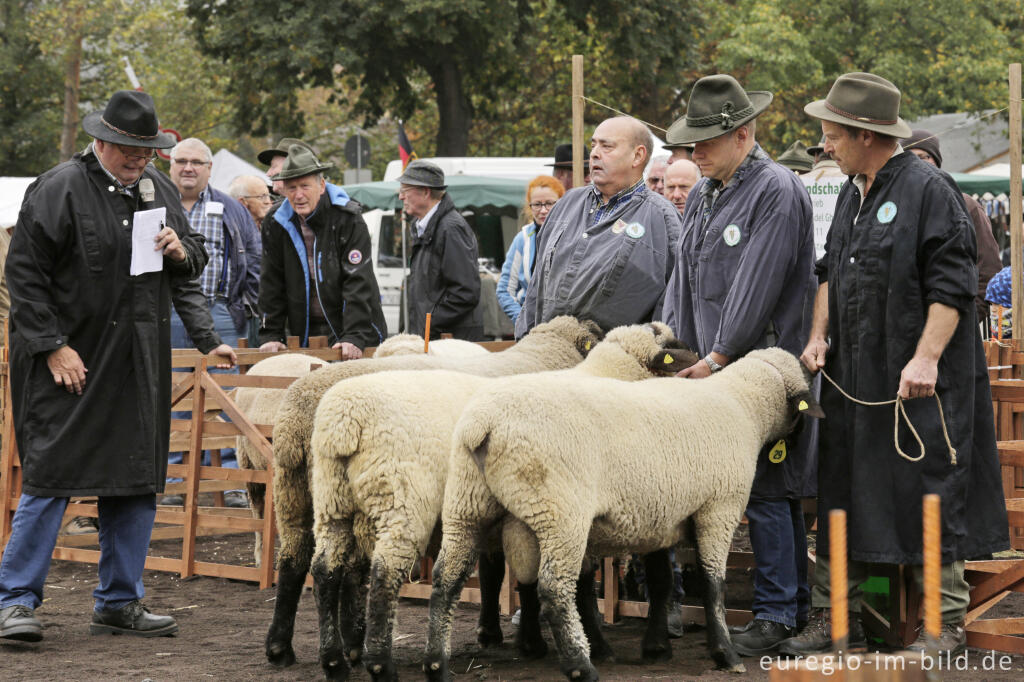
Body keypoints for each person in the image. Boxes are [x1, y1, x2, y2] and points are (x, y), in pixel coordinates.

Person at [0, 90, 235, 642]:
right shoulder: (57, 188)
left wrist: (203, 327)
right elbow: (25, 277)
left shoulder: (157, 190)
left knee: (134, 481)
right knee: (51, 477)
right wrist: (52, 345)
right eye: (130, 148)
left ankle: (119, 601)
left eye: (148, 149)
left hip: (137, 361)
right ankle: (13, 601)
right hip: (70, 362)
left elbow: (189, 268)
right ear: (102, 142)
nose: (140, 158)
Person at [788, 72, 1008, 657]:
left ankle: (942, 627)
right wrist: (818, 338)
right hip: (855, 381)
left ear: (866, 134)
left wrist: (927, 359)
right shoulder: (852, 194)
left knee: (924, 495)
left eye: (833, 135)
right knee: (852, 500)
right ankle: (847, 620)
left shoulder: (929, 190)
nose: (826, 147)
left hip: (918, 385)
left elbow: (954, 287)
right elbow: (829, 273)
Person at [661, 74, 816, 657]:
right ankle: (788, 607)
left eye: (704, 142)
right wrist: (673, 346)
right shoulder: (706, 192)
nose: (692, 153)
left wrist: (719, 355)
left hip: (761, 368)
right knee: (752, 486)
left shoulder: (776, 189)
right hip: (714, 367)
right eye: (691, 142)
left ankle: (778, 613)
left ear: (742, 135)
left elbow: (758, 282)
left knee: (767, 486)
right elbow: (683, 275)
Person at [516, 115, 681, 336]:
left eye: (607, 146)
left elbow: (675, 300)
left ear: (637, 156)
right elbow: (537, 285)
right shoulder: (565, 205)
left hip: (614, 362)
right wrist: (525, 338)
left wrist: (651, 352)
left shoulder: (661, 218)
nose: (594, 153)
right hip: (548, 352)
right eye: (593, 145)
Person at [259, 146, 385, 354]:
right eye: (291, 188)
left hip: (352, 325)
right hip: (303, 327)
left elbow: (358, 280)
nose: (298, 195)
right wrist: (272, 334)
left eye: (305, 186)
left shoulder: (348, 217)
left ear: (322, 185)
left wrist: (354, 335)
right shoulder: (275, 221)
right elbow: (271, 281)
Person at [904, 129, 1002, 323]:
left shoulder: (966, 206)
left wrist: (965, 322)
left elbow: (989, 270)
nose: (917, 164)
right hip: (907, 331)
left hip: (956, 329)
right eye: (910, 158)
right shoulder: (896, 208)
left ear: (937, 162)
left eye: (924, 157)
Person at [399, 160, 483, 340]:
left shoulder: (450, 228)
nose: (400, 197)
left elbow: (465, 293)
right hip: (435, 340)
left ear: (425, 192)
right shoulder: (427, 227)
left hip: (450, 346)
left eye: (405, 190)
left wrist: (430, 324)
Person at [497, 175, 565, 323]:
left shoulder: (573, 236)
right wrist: (522, 321)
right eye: (537, 204)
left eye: (549, 203)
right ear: (529, 206)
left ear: (562, 203)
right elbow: (505, 290)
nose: (543, 210)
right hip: (531, 329)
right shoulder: (522, 239)